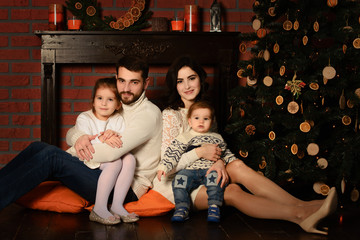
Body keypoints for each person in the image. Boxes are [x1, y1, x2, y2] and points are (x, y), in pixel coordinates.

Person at [151, 55, 338, 235]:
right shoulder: (171, 115)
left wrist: (219, 162)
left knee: (238, 166)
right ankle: (300, 215)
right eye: (180, 81)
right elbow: (168, 166)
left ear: (200, 78)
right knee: (232, 192)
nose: (187, 86)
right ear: (174, 86)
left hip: (204, 172)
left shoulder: (206, 111)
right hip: (178, 185)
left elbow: (218, 148)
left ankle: (303, 206)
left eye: (191, 78)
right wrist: (200, 152)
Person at [0, 56, 162, 218]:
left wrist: (71, 153)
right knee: (38, 147)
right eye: (122, 81)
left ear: (146, 83)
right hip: (103, 170)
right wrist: (80, 138)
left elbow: (111, 153)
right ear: (116, 79)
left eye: (134, 82)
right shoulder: (118, 104)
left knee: (52, 157)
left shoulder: (147, 114)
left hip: (125, 187)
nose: (126, 88)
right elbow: (73, 132)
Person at [66, 77, 138, 225]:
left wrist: (113, 136)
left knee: (130, 158)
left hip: (104, 158)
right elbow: (88, 144)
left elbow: (120, 143)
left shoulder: (117, 119)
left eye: (110, 99)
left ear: (118, 104)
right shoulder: (84, 118)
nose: (104, 103)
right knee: (115, 162)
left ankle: (117, 205)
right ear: (93, 101)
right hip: (83, 158)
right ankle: (99, 208)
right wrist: (104, 139)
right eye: (100, 98)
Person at [157, 101, 236, 223]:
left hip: (209, 169)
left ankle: (214, 207)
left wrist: (233, 161)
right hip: (189, 170)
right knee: (179, 181)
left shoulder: (217, 137)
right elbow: (173, 152)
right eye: (197, 118)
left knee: (216, 180)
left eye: (206, 118)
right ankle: (182, 208)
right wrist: (164, 166)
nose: (201, 122)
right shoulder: (185, 137)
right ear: (189, 121)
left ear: (211, 121)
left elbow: (226, 154)